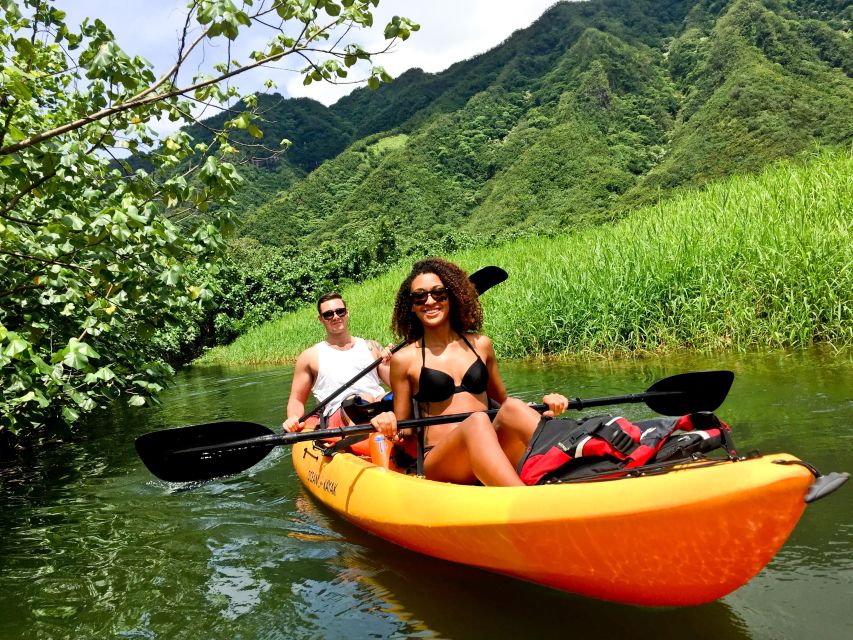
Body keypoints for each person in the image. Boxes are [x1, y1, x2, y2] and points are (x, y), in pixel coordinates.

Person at [370, 258, 568, 486]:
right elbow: (405, 431)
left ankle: (586, 465)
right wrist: (389, 420)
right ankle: (526, 501)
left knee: (513, 407)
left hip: (490, 444)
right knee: (476, 422)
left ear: (451, 297)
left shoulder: (481, 344)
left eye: (438, 293)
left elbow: (503, 404)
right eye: (420, 296)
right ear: (412, 306)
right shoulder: (404, 359)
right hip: (441, 459)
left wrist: (543, 407)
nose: (430, 301)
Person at [283, 292, 392, 433]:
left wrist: (391, 363)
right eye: (328, 314)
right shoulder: (309, 356)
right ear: (321, 319)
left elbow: (397, 385)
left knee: (390, 398)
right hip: (340, 414)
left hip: (376, 405)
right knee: (359, 400)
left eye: (340, 312)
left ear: (347, 313)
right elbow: (297, 399)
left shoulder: (372, 347)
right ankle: (367, 442)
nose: (335, 317)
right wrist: (293, 418)